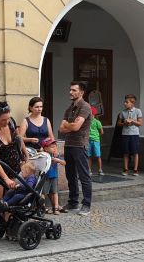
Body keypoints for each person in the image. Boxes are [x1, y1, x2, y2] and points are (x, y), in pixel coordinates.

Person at [0, 101, 26, 216]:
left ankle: (8, 225)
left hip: (13, 166)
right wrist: (6, 178)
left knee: (10, 199)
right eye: (3, 120)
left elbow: (18, 138)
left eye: (8, 118)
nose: (6, 122)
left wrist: (25, 154)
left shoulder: (11, 122)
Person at [59, 81, 93, 216]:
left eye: (74, 90)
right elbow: (61, 129)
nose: (70, 92)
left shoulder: (85, 107)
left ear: (81, 92)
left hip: (80, 145)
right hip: (68, 144)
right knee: (70, 175)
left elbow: (76, 127)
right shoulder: (69, 108)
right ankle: (73, 202)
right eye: (70, 90)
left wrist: (68, 125)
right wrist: (70, 126)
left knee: (84, 176)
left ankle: (86, 205)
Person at [117, 94, 143, 176]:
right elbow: (118, 124)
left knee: (135, 152)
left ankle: (135, 169)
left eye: (126, 102)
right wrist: (124, 123)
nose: (124, 103)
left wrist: (132, 121)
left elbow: (140, 123)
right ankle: (125, 169)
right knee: (125, 152)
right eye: (124, 102)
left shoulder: (138, 111)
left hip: (134, 134)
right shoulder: (123, 112)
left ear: (132, 103)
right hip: (125, 134)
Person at [42, 137, 66, 214]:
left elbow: (64, 163)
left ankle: (56, 208)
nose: (54, 148)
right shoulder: (44, 155)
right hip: (45, 177)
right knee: (43, 192)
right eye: (52, 147)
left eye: (55, 146)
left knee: (55, 192)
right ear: (46, 148)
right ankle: (43, 207)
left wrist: (57, 160)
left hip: (54, 176)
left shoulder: (56, 155)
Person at [88, 107, 104, 177]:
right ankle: (89, 170)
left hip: (96, 141)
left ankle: (100, 170)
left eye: (90, 114)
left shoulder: (97, 122)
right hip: (88, 141)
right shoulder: (86, 122)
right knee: (89, 156)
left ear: (93, 114)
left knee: (98, 156)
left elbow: (102, 132)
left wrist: (96, 136)